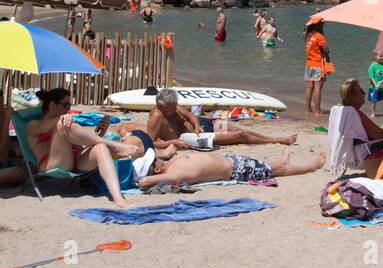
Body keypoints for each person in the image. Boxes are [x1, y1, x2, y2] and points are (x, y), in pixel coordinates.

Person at [23, 88, 139, 206]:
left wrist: (100, 133)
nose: (68, 109)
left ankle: (118, 198)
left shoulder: (66, 122)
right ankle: (113, 145)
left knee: (101, 147)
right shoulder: (34, 125)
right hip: (53, 163)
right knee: (62, 125)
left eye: (70, 105)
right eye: (66, 104)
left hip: (77, 160)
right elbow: (44, 128)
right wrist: (61, 119)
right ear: (52, 105)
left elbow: (82, 145)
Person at [146, 88, 298, 149]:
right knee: (241, 135)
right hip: (197, 138)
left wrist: (197, 125)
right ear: (161, 106)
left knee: (235, 128)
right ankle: (278, 140)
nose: (175, 108)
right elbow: (151, 143)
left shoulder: (174, 106)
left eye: (175, 105)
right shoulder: (157, 116)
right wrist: (174, 142)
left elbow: (191, 115)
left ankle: (275, 138)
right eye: (172, 107)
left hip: (204, 126)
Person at [139, 146, 327, 189]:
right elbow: (144, 182)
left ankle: (282, 162)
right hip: (235, 170)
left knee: (265, 166)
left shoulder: (170, 162)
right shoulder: (173, 173)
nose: (156, 157)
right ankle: (310, 167)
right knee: (273, 170)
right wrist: (146, 179)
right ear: (156, 170)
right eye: (154, 160)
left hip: (230, 160)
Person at [304, 14, 328, 116]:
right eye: (322, 23)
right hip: (317, 64)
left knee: (310, 87)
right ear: (319, 25)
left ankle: (308, 110)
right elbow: (326, 50)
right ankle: (317, 112)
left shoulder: (308, 36)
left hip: (309, 63)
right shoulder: (319, 36)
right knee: (318, 87)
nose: (323, 25)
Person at [367, 51, 383, 117]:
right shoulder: (372, 66)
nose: (382, 57)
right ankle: (373, 114)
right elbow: (371, 76)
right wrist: (375, 85)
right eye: (380, 56)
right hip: (373, 88)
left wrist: (382, 81)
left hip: (382, 87)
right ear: (375, 57)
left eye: (382, 56)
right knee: (373, 101)